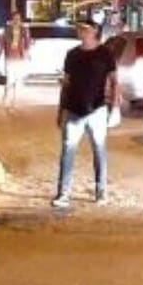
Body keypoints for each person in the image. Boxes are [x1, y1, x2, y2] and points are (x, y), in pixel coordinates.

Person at [52, 20, 118, 208]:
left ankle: (101, 192)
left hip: (97, 109)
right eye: (79, 29)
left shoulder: (105, 54)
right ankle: (63, 194)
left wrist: (114, 107)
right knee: (68, 152)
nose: (81, 32)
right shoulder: (72, 55)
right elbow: (66, 84)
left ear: (95, 31)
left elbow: (114, 81)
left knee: (99, 151)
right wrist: (61, 110)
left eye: (85, 29)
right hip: (73, 110)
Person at [3, 11, 31, 109]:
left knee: (17, 80)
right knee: (10, 79)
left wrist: (27, 52)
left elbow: (27, 43)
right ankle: (6, 98)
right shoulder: (7, 29)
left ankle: (14, 101)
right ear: (12, 19)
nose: (17, 20)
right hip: (10, 57)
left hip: (20, 57)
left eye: (18, 19)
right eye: (15, 18)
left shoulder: (24, 29)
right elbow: (5, 41)